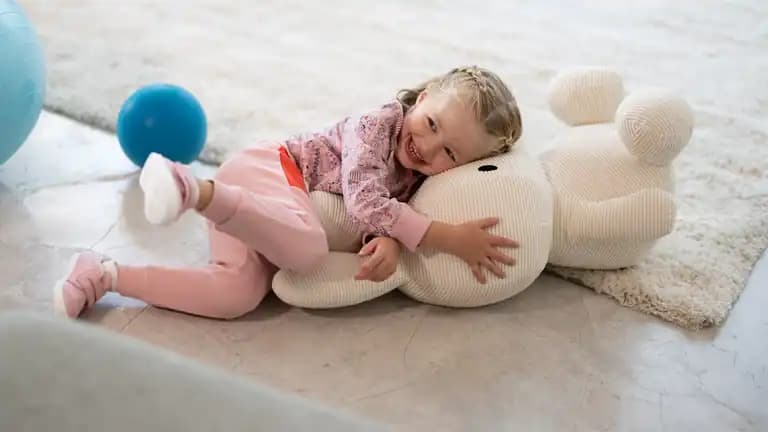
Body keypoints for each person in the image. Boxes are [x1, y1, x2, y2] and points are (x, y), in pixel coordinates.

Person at [53, 65, 523, 320]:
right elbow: (364, 199)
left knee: (235, 295)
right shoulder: (377, 124)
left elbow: (382, 213)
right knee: (308, 251)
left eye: (449, 152)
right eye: (431, 124)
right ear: (421, 99)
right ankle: (195, 191)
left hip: (265, 218)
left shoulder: (425, 175)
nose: (428, 147)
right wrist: (447, 237)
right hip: (269, 170)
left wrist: (389, 240)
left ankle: (103, 275)